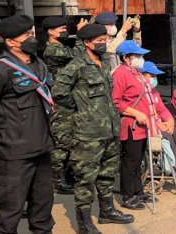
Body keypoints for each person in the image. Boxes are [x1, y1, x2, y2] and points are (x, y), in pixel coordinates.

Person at [53, 23, 133, 233]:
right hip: (87, 133)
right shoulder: (76, 65)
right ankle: (84, 223)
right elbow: (59, 93)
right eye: (99, 41)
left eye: (105, 40)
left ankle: (107, 211)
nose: (103, 44)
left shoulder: (104, 63)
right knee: (85, 179)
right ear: (86, 43)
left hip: (109, 130)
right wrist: (81, 109)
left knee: (107, 174)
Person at [0, 15, 56, 234]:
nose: (32, 38)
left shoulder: (38, 63)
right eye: (26, 35)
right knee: (10, 212)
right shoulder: (1, 70)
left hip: (42, 147)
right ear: (10, 42)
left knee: (43, 208)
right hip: (14, 153)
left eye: (31, 33)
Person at [112, 40, 168, 209]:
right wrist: (135, 113)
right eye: (137, 55)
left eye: (141, 55)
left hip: (144, 125)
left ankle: (138, 191)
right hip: (131, 125)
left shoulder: (136, 72)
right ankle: (128, 196)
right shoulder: (120, 74)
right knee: (130, 161)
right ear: (126, 58)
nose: (140, 58)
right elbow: (115, 101)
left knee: (138, 161)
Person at [42, 16, 79, 195]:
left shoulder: (61, 47)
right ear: (50, 31)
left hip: (68, 99)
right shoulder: (52, 50)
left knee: (71, 141)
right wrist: (80, 36)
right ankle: (57, 180)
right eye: (61, 29)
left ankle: (67, 175)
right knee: (62, 142)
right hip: (60, 101)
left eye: (65, 28)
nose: (64, 31)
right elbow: (78, 58)